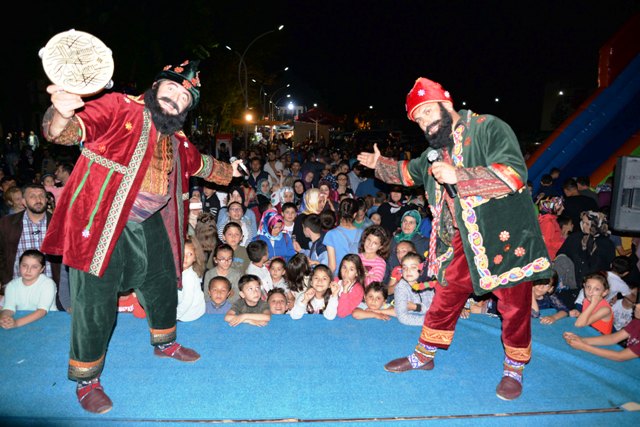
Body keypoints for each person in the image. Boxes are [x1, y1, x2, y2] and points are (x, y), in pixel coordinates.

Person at [40, 60, 242, 413]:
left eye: (184, 97)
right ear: (155, 86)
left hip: (148, 220)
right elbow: (70, 130)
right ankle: (87, 379)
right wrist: (60, 114)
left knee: (164, 279)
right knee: (95, 301)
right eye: (172, 89)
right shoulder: (119, 107)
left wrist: (232, 172)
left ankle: (164, 342)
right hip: (101, 218)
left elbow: (202, 165)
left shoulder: (177, 139)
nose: (176, 99)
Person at [357, 77, 552, 400]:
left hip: (503, 234)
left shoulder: (488, 127)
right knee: (445, 295)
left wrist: (459, 176)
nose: (423, 123)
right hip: (460, 239)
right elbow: (408, 172)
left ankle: (514, 368)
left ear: (446, 105)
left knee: (514, 305)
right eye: (418, 120)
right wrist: (381, 165)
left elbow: (516, 173)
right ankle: (424, 356)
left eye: (426, 113)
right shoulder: (436, 152)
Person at [563, 299, 640, 361]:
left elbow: (620, 356)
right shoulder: (637, 321)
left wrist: (584, 346)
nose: (637, 305)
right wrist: (582, 340)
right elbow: (613, 338)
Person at [0, 250, 57, 329]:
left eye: (34, 267)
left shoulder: (48, 284)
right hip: (22, 321)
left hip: (48, 321)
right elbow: (8, 308)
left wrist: (16, 323)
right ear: (19, 265)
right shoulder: (12, 285)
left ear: (42, 269)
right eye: (24, 265)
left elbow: (42, 311)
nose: (28, 270)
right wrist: (5, 319)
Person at [393, 252, 434, 326]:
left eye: (413, 267)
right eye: (405, 268)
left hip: (431, 319)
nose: (408, 271)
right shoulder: (401, 287)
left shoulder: (429, 284)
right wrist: (431, 321)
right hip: (413, 325)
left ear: (422, 269)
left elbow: (435, 308)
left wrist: (417, 307)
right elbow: (403, 317)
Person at [324, 198, 363, 275]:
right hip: (355, 276)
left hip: (339, 277)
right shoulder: (363, 233)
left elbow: (332, 266)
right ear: (355, 214)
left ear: (339, 211)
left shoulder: (331, 234)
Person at [176, 237, 206, 322]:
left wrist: (174, 316)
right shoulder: (177, 271)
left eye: (190, 254)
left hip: (191, 312)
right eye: (182, 253)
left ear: (195, 258)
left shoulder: (189, 277)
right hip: (182, 304)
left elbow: (187, 301)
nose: (185, 257)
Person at [335, 254, 366, 318]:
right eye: (344, 267)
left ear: (357, 273)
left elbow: (342, 313)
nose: (346, 272)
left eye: (351, 269)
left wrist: (345, 291)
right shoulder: (336, 281)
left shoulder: (357, 290)